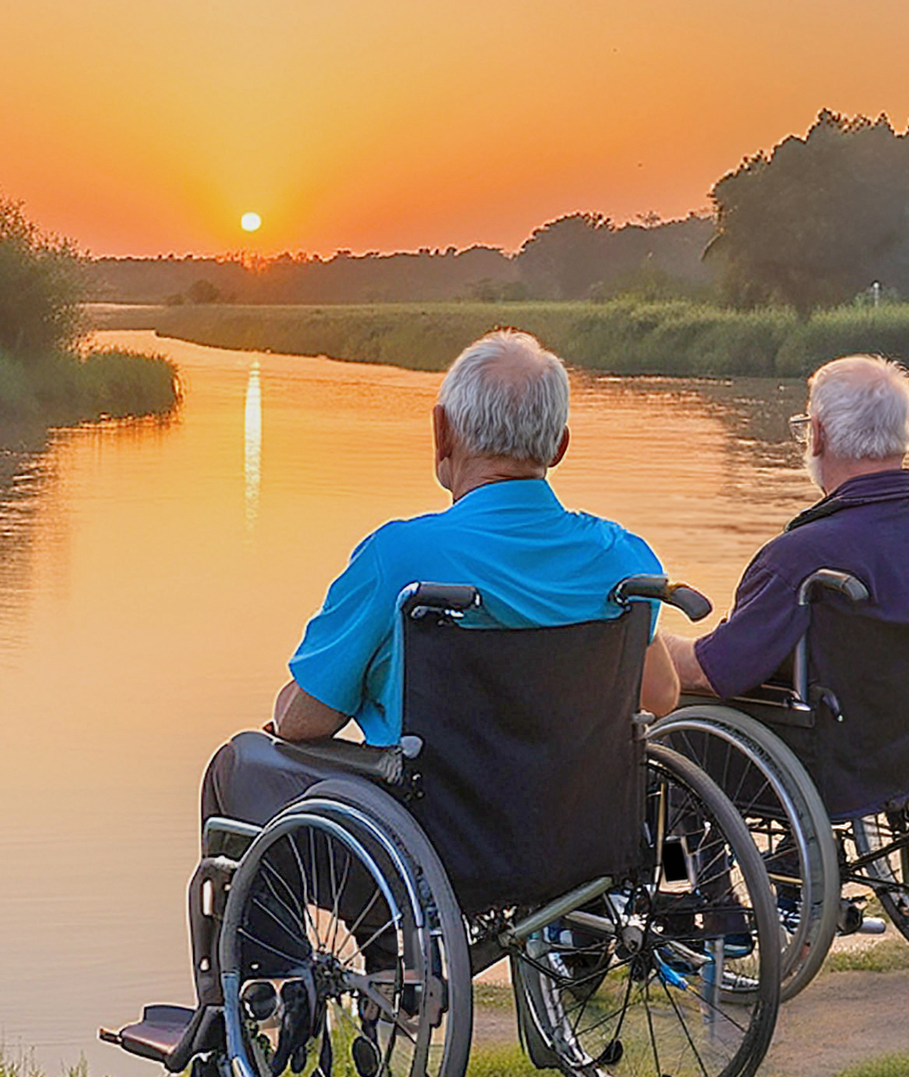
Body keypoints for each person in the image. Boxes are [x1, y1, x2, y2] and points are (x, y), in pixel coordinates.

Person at [197, 327, 674, 834]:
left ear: (441, 432)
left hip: (441, 841)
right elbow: (661, 695)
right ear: (559, 446)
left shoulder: (400, 558)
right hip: (575, 836)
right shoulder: (621, 560)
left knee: (241, 763)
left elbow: (303, 723)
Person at [659, 353, 909, 704]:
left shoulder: (802, 556)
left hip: (830, 750)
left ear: (818, 435)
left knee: (665, 694)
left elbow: (710, 673)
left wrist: (644, 641)